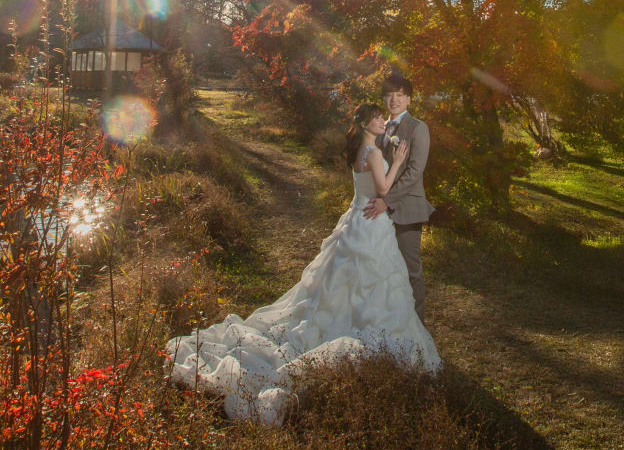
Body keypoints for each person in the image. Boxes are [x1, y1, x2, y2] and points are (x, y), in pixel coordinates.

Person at [164, 101, 441, 426]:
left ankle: (346, 317)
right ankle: (357, 325)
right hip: (371, 222)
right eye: (377, 118)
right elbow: (383, 188)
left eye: (382, 117)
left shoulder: (359, 150)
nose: (382, 120)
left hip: (356, 218)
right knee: (373, 279)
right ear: (366, 124)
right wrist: (399, 162)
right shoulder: (374, 152)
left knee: (346, 280)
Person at [362, 73, 435, 322]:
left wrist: (387, 201)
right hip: (379, 209)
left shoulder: (418, 128)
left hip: (406, 208)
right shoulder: (379, 127)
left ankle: (417, 327)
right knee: (383, 268)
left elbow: (415, 171)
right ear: (384, 99)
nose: (394, 100)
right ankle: (390, 322)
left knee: (410, 269)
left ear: (409, 100)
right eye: (389, 95)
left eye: (400, 95)